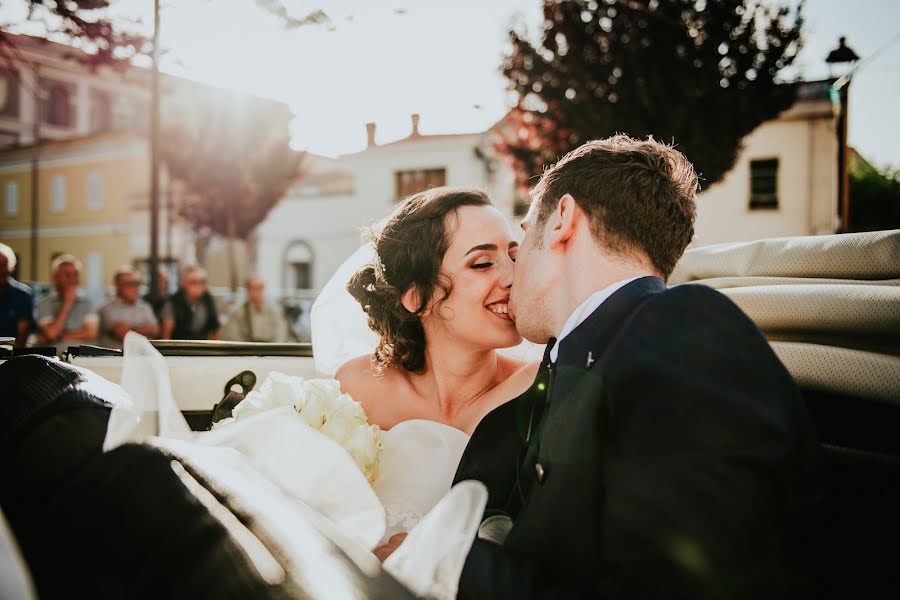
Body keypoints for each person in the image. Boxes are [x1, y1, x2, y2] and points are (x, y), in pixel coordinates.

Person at [446, 136, 818, 599]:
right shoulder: (571, 360)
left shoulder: (685, 329)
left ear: (562, 220)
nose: (511, 273)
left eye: (521, 246)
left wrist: (441, 562)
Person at [314, 187, 539, 559]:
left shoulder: (534, 390)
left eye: (515, 257)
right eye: (482, 263)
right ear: (417, 296)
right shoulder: (356, 388)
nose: (513, 277)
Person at [36, 254, 98, 353]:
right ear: (55, 277)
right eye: (67, 275)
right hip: (55, 359)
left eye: (76, 274)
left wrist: (61, 336)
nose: (72, 279)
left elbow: (90, 333)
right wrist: (67, 303)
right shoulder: (44, 303)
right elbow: (52, 333)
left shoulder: (87, 302)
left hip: (82, 359)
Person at [98, 266, 160, 349]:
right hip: (115, 357)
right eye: (130, 284)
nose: (135, 288)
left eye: (137, 284)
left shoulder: (145, 306)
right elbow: (121, 333)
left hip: (142, 356)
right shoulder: (107, 308)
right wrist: (143, 329)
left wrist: (131, 329)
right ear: (117, 285)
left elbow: (155, 330)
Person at [160, 266, 221, 340]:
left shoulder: (208, 300)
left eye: (202, 282)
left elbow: (216, 330)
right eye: (193, 282)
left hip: (202, 347)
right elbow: (166, 336)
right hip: (179, 347)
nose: (199, 286)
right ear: (183, 283)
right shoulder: (172, 303)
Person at [222, 276, 287, 342]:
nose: (257, 292)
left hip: (270, 349)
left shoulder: (275, 310)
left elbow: (280, 334)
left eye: (260, 288)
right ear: (247, 290)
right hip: (246, 349)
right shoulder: (236, 311)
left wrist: (273, 350)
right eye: (253, 288)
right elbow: (233, 336)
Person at [0, 243, 33, 348]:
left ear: (11, 267)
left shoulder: (22, 295)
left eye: (3, 265)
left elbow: (22, 334)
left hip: (11, 353)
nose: (1, 270)